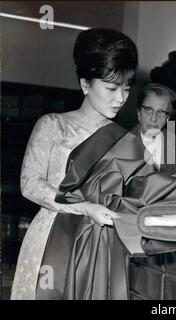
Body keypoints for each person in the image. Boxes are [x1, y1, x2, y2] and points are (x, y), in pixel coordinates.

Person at [11, 28, 138, 300]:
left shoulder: (125, 141)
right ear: (85, 84)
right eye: (112, 88)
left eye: (126, 88)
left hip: (100, 245)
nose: (121, 98)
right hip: (51, 242)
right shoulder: (53, 125)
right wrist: (84, 207)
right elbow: (29, 185)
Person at [131, 83, 176, 173]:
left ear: (167, 118)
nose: (154, 118)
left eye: (161, 112)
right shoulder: (122, 146)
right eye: (148, 110)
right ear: (139, 113)